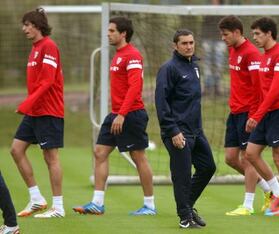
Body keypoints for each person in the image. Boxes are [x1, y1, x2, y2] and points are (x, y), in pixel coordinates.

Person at [73, 16, 156, 216]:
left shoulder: (132, 55)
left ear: (123, 33)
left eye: (111, 31)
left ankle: (150, 206)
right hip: (116, 113)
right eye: (108, 30)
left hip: (131, 114)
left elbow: (136, 87)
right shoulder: (117, 55)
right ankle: (97, 203)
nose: (108, 34)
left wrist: (122, 114)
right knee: (100, 152)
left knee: (139, 157)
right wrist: (117, 113)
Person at [155, 29, 216, 229]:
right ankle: (185, 217)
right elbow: (161, 103)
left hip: (196, 131)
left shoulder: (195, 67)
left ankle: (187, 207)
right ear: (175, 46)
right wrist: (173, 131)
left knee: (208, 167)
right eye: (184, 43)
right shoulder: (168, 69)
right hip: (177, 132)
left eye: (191, 42)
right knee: (182, 175)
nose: (189, 46)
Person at [10, 7, 65, 218]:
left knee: (50, 157)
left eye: (27, 25)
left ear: (38, 26)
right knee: (16, 150)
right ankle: (36, 199)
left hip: (48, 111)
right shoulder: (34, 48)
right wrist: (30, 105)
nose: (24, 29)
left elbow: (48, 81)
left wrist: (26, 103)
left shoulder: (48, 46)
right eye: (23, 25)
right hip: (34, 111)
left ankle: (58, 208)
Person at [218, 15, 272, 216]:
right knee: (231, 158)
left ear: (237, 32)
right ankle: (268, 190)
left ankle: (247, 206)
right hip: (234, 112)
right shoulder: (232, 50)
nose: (223, 38)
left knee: (248, 158)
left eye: (225, 35)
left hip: (248, 113)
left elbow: (260, 88)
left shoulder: (251, 54)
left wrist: (255, 115)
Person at [245, 17, 279, 216]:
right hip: (266, 113)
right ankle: (276, 191)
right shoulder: (265, 56)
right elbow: (262, 91)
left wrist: (257, 115)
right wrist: (255, 113)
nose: (255, 38)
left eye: (258, 34)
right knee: (250, 153)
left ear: (269, 33)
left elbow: (275, 91)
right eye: (253, 34)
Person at [201, 0, 226, 96]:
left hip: (220, 40)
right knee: (207, 64)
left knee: (218, 64)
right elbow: (204, 24)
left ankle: (216, 87)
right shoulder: (206, 9)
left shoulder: (225, 10)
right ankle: (207, 87)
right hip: (207, 40)